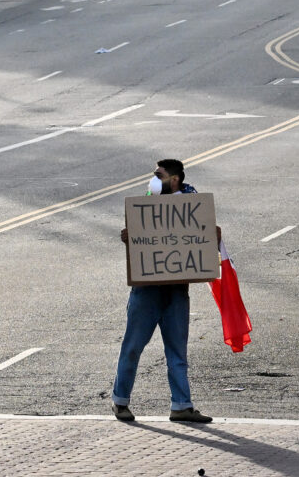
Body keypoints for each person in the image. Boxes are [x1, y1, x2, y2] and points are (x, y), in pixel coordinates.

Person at [112, 158, 214, 425]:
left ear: (175, 179)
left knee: (177, 352)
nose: (154, 179)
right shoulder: (148, 201)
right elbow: (143, 238)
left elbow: (202, 236)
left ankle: (182, 405)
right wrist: (129, 237)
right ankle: (120, 401)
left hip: (176, 292)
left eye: (159, 175)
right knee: (132, 347)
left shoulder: (192, 203)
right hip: (147, 292)